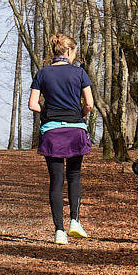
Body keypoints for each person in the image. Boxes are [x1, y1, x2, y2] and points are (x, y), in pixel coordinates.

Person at [28, 33, 95, 245]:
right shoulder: (80, 73)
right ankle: (75, 221)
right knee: (74, 176)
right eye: (74, 52)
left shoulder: (42, 73)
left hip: (52, 132)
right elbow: (89, 103)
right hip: (75, 131)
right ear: (68, 51)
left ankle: (59, 231)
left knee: (56, 180)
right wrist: (80, 114)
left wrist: (49, 112)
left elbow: (33, 104)